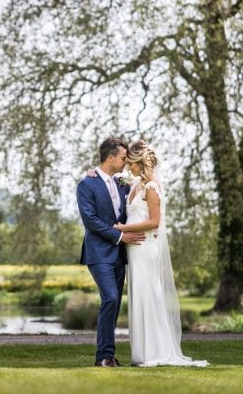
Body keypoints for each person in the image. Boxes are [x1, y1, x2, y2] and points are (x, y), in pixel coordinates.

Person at [112, 140, 208, 367]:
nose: (126, 165)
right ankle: (142, 352)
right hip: (134, 250)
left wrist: (123, 228)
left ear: (139, 163)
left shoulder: (152, 187)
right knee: (139, 296)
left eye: (130, 162)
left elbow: (154, 222)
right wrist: (93, 173)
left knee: (150, 295)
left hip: (145, 247)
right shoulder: (135, 182)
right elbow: (111, 178)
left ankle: (157, 351)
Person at [76, 137, 146, 367]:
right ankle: (103, 356)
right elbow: (91, 221)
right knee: (111, 298)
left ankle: (108, 355)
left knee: (114, 304)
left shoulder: (123, 182)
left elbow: (144, 179)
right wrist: (120, 236)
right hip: (98, 254)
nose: (126, 162)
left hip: (120, 255)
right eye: (124, 158)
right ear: (111, 157)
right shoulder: (87, 184)